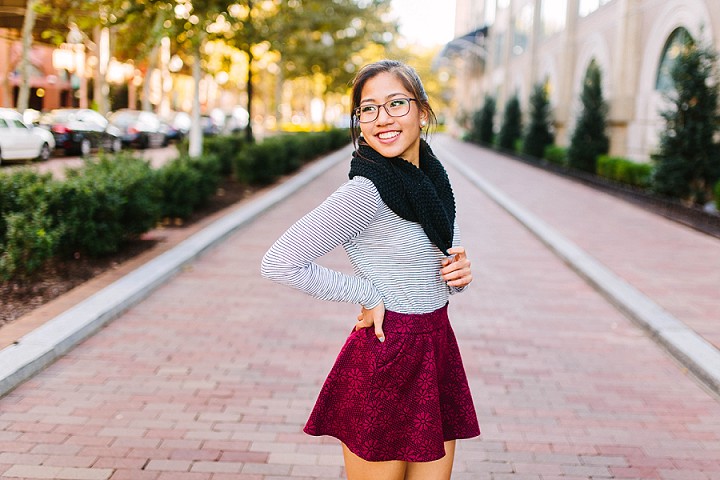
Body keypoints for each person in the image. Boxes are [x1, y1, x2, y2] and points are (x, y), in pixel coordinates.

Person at [261, 59, 480, 480]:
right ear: (358, 121)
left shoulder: (431, 181)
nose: (382, 119)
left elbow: (424, 268)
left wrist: (457, 274)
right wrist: (368, 294)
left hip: (434, 346)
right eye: (368, 108)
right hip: (387, 352)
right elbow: (280, 261)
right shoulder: (365, 191)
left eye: (397, 103)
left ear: (423, 111)